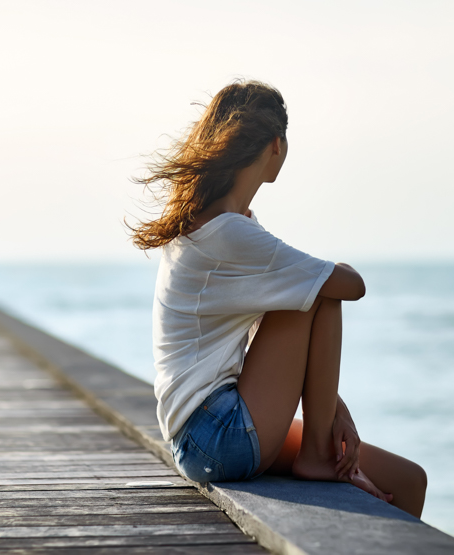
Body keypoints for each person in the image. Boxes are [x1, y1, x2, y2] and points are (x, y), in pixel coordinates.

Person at [130, 80, 427, 518]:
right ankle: (316, 456)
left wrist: (334, 411)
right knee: (325, 289)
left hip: (206, 433)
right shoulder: (229, 233)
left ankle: (319, 449)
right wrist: (322, 425)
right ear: (276, 145)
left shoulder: (218, 224)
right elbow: (349, 285)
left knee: (407, 481)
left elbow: (267, 329)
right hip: (215, 433)